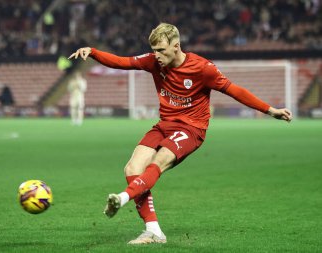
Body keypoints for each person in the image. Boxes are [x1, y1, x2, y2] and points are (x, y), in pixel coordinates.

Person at [69, 23, 292, 244]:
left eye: (161, 50)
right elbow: (123, 62)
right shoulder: (153, 61)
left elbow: (235, 91)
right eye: (154, 50)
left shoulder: (203, 68)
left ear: (176, 46)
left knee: (159, 161)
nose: (156, 55)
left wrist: (271, 110)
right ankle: (154, 231)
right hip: (164, 124)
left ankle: (122, 197)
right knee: (132, 168)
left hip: (191, 128)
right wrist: (93, 52)